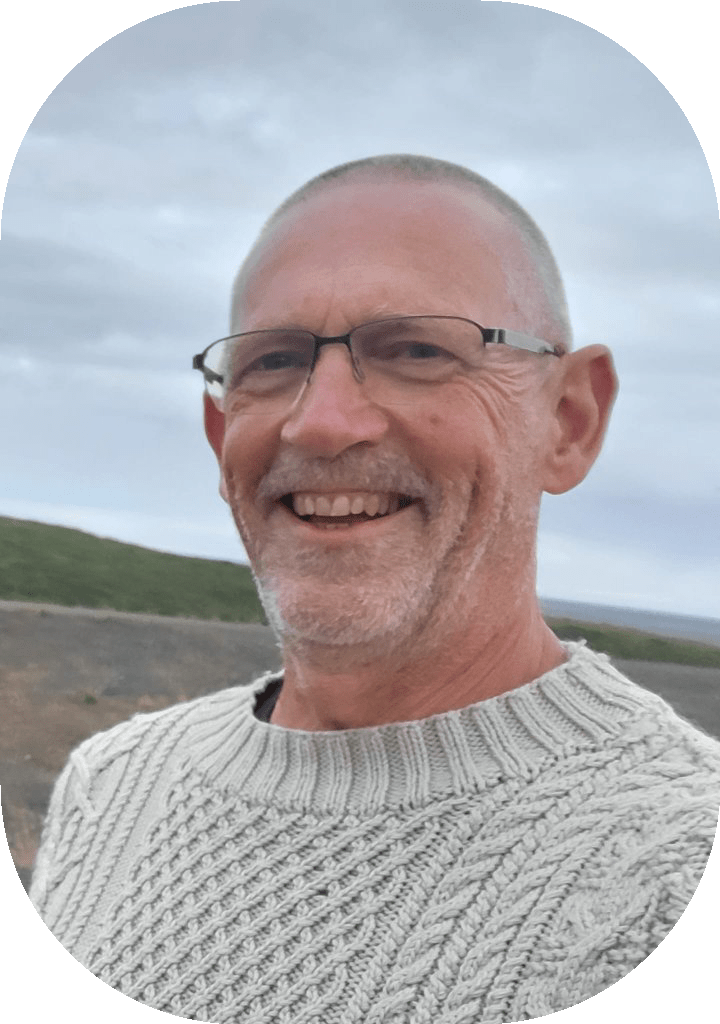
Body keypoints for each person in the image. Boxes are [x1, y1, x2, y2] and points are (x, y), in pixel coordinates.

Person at [30, 155, 720, 1022]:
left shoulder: (675, 873)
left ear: (569, 421)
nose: (321, 422)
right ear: (219, 431)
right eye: (274, 361)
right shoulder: (112, 784)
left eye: (417, 350)